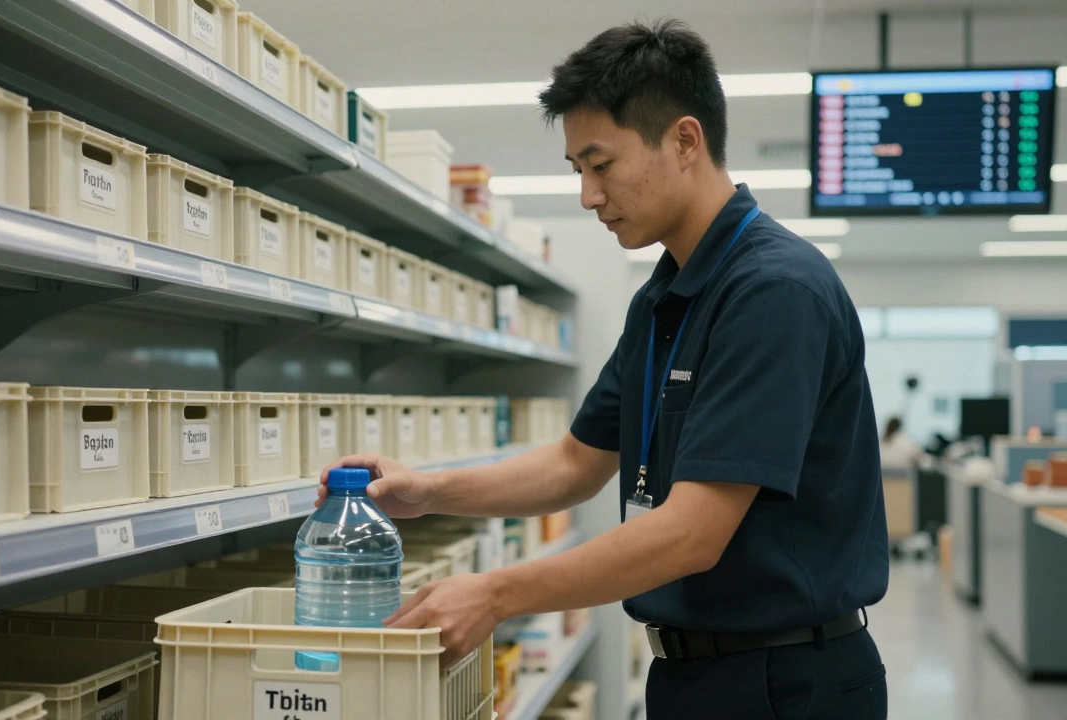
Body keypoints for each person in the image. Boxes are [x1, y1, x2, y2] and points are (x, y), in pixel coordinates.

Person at [317, 19, 889, 720]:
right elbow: (574, 462)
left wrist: (496, 593)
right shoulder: (664, 297)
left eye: (601, 164)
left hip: (786, 681)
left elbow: (691, 531)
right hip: (693, 673)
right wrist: (428, 491)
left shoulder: (772, 291)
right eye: (577, 171)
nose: (588, 195)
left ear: (684, 140)